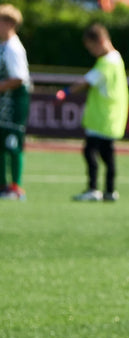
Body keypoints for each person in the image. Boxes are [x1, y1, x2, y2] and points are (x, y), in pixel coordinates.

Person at [56, 24, 129, 202]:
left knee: (90, 151)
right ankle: (110, 191)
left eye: (92, 47)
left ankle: (93, 189)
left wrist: (66, 92)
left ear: (102, 41)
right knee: (107, 154)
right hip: (110, 115)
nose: (92, 52)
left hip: (103, 117)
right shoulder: (116, 59)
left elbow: (87, 81)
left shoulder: (108, 62)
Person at [0, 4, 29, 201]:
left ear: (9, 23)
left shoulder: (14, 48)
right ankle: (3, 185)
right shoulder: (3, 45)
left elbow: (19, 78)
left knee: (13, 144)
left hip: (14, 102)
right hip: (4, 101)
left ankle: (16, 187)